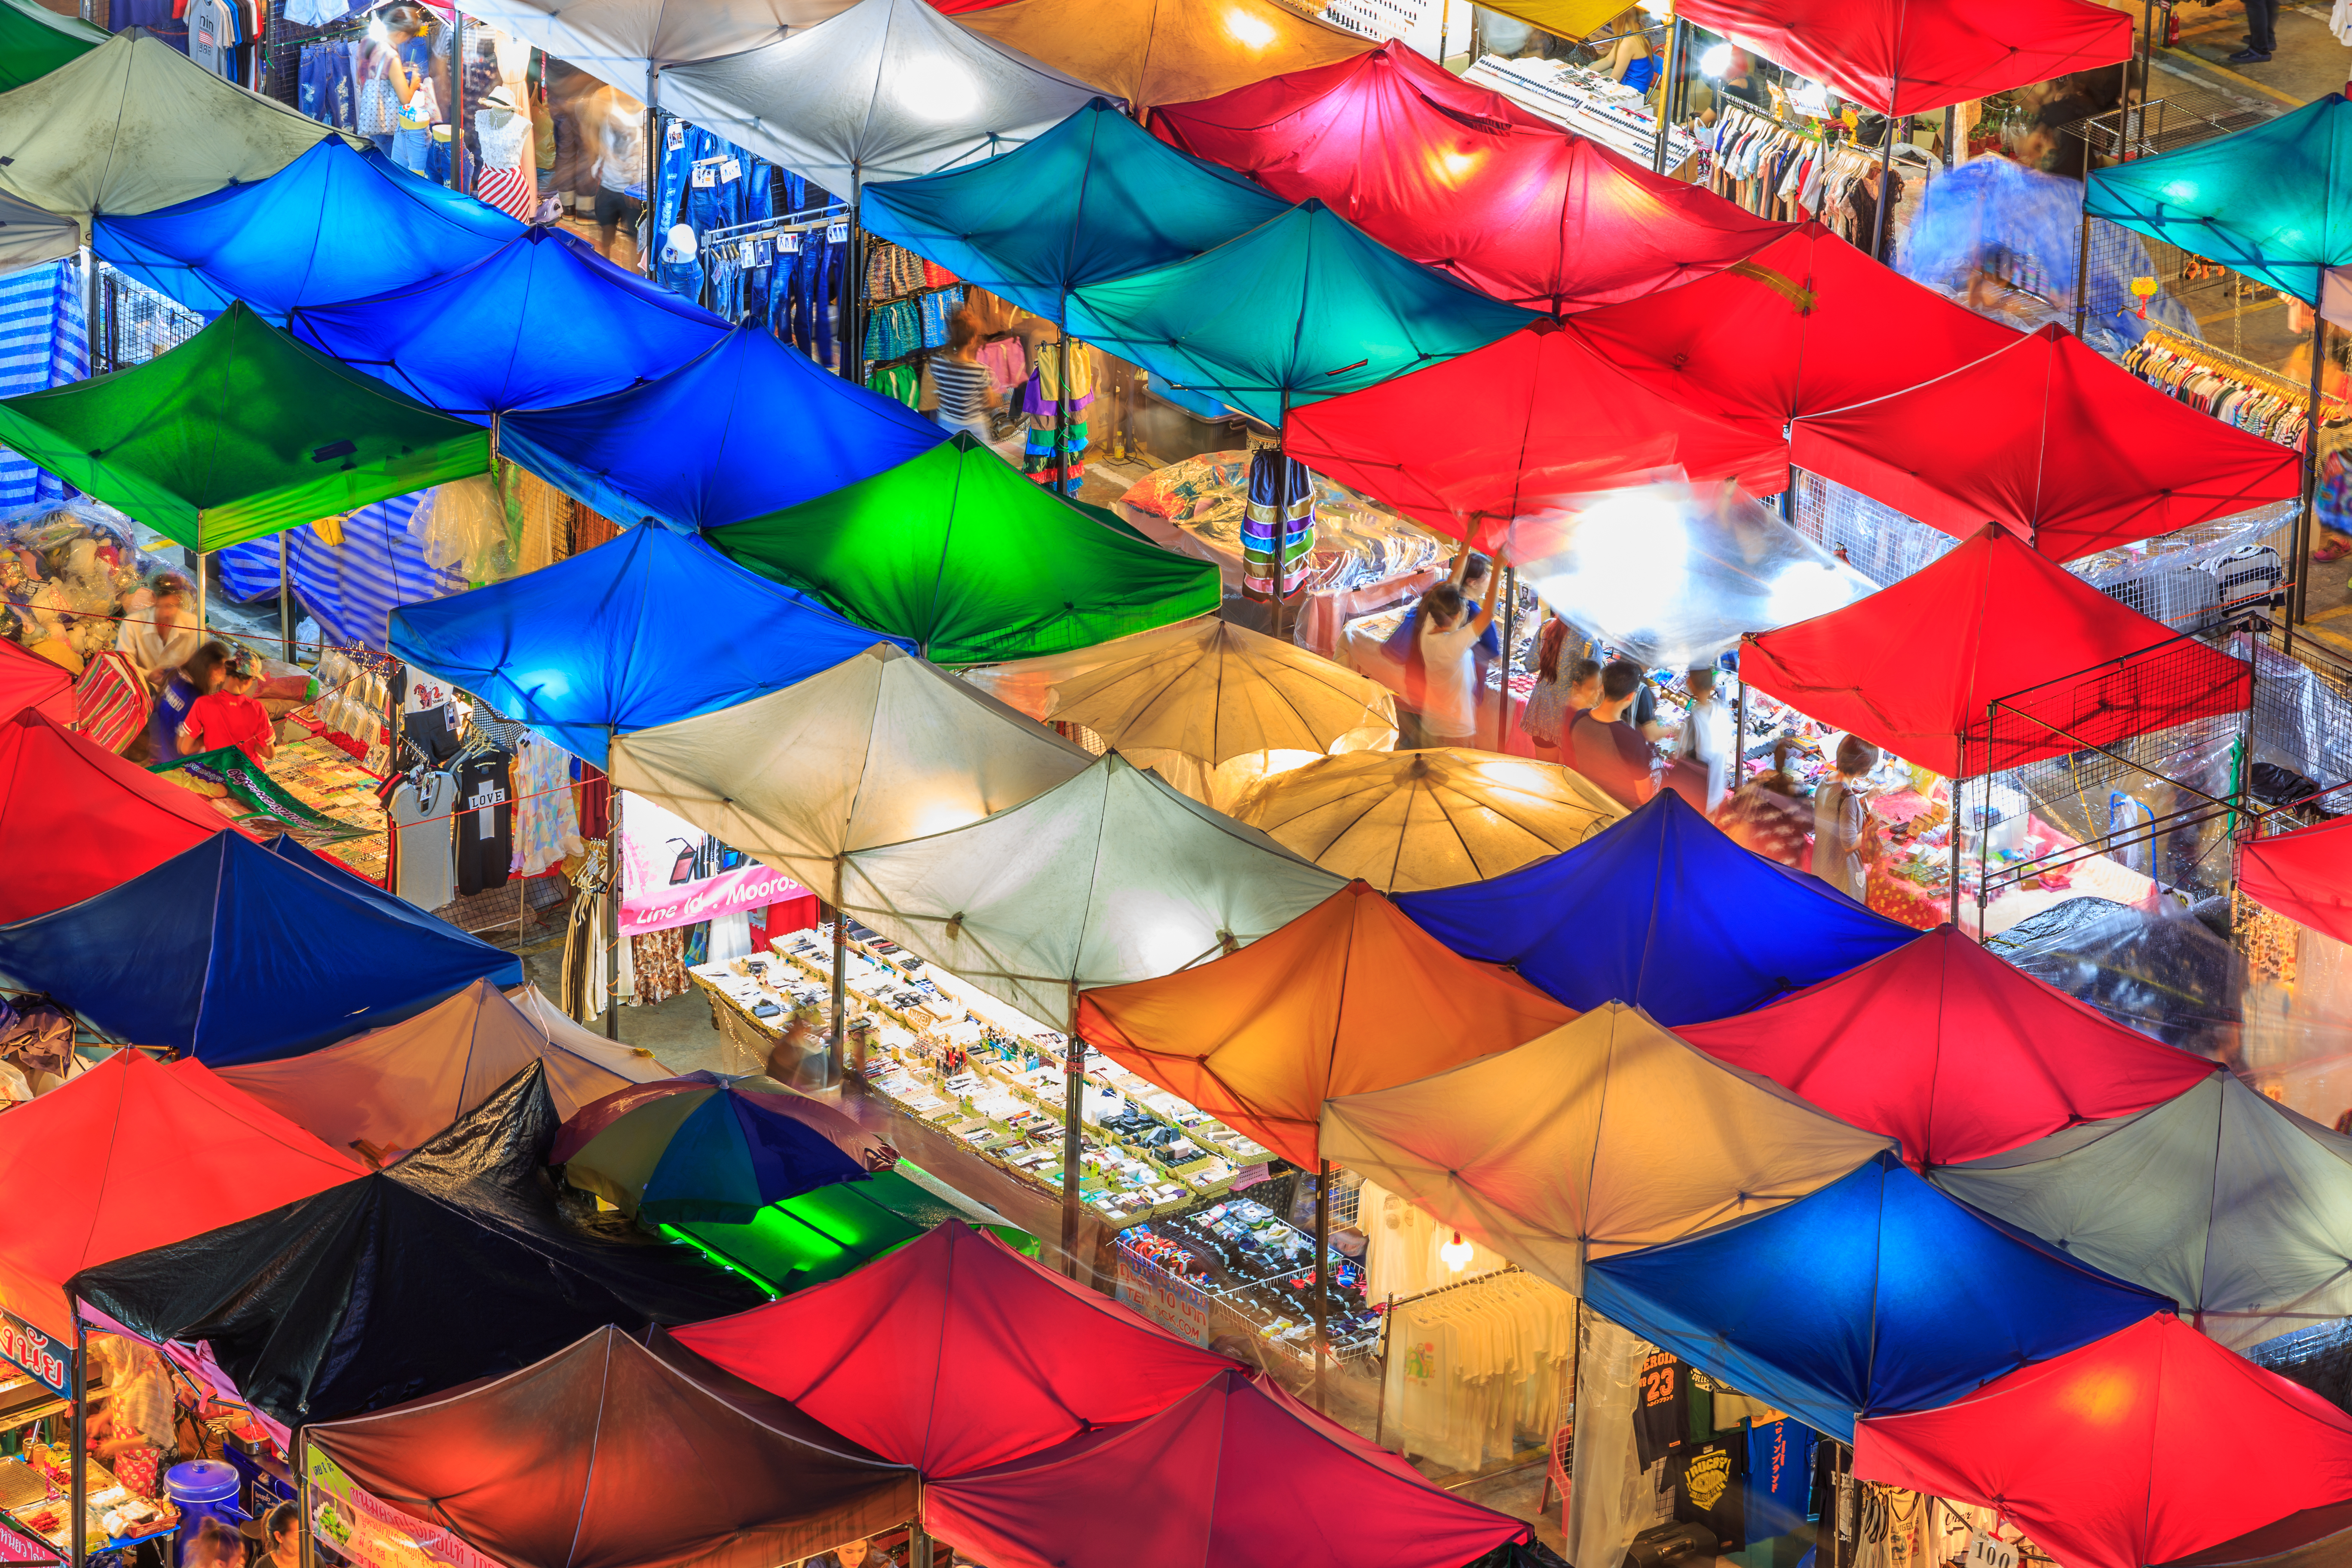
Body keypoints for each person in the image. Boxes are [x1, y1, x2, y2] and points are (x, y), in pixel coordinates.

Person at [1406, 580, 1500, 749]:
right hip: (1455, 732)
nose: (1468, 610)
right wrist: (1498, 566)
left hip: (1432, 724)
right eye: (1466, 607)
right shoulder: (1452, 646)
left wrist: (1464, 553)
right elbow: (1487, 615)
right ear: (1457, 616)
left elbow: (1448, 589)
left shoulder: (1429, 628)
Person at [87, 1335, 175, 1499]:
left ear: (127, 1354)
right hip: (130, 1460)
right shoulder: (130, 1373)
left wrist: (118, 1446)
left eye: (112, 1356)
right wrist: (102, 1418)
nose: (109, 1361)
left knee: (147, 1512)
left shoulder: (148, 1384)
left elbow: (155, 1439)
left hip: (151, 1465)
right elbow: (127, 1405)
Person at [1569, 660, 1657, 807]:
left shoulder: (1580, 717)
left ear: (1603, 687)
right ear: (1631, 696)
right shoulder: (1632, 739)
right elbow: (1644, 795)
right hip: (1620, 812)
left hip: (1587, 798)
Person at [1714, 738, 1811, 867]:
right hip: (1787, 872)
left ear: (1774, 759)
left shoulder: (1755, 791)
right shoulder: (1796, 794)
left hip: (1757, 866)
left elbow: (1726, 818)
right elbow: (1810, 824)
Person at [1812, 733, 1881, 900]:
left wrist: (1865, 799)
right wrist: (1873, 828)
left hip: (1822, 862)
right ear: (1861, 769)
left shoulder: (1826, 779)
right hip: (1841, 873)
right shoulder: (1847, 796)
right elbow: (1849, 844)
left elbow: (1835, 812)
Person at [369, 6, 435, 176]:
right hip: (388, 126)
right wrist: (414, 83)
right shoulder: (391, 56)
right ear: (401, 34)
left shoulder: (373, 46)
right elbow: (406, 99)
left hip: (374, 121)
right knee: (396, 173)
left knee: (381, 168)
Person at [178, 649, 275, 763]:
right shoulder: (257, 708)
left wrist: (211, 736)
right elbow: (270, 754)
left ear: (227, 671)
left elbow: (186, 749)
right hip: (247, 776)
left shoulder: (202, 703)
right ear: (249, 680)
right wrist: (249, 741)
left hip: (216, 774)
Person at [150, 639, 231, 767]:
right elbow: (183, 748)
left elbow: (154, 677)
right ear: (213, 670)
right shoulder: (194, 700)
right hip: (181, 765)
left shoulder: (175, 673)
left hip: (164, 748)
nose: (223, 678)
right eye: (223, 671)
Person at [590, 86, 646, 263]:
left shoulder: (649, 94)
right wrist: (601, 151)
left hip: (637, 189)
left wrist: (642, 180)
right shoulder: (603, 96)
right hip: (608, 183)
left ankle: (632, 285)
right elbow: (590, 131)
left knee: (636, 244)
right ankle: (605, 277)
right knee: (606, 238)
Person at [117, 572, 197, 692]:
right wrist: (148, 675)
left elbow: (204, 660)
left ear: (179, 603)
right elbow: (120, 665)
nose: (167, 614)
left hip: (180, 694)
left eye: (172, 606)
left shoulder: (192, 624)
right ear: (154, 601)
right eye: (162, 606)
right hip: (141, 693)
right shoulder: (132, 624)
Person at [930, 311, 1001, 443]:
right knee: (979, 460)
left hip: (947, 424)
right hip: (974, 427)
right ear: (972, 340)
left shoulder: (938, 363)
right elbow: (991, 403)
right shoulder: (981, 371)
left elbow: (938, 390)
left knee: (952, 460)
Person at [1517, 616, 1575, 763]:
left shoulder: (1548, 627)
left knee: (1546, 773)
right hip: (1570, 719)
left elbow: (1531, 664)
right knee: (1567, 779)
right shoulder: (1589, 642)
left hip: (1543, 713)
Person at [1597, 8, 1657, 96]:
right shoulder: (1637, 29)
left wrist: (1590, 77)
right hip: (1627, 85)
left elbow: (1614, 80)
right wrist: (1584, 71)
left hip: (1632, 94)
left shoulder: (1628, 43)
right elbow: (1608, 60)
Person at [243, 1504, 300, 1568]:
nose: (304, 1544)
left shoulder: (313, 1559)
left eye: (305, 1537)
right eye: (298, 1539)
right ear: (279, 1537)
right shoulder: (263, 1566)